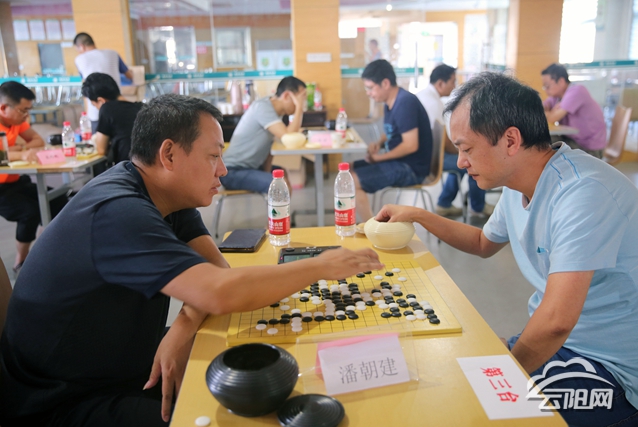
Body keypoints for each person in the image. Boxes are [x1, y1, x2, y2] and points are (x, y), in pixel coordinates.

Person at [0, 94, 382, 427]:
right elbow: (220, 292)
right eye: (213, 156)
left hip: (125, 367)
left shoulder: (166, 194)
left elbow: (216, 274)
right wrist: (322, 265)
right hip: (60, 402)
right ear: (168, 154)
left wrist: (183, 326)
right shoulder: (118, 211)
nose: (223, 170)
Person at [375, 72, 638, 426]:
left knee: (482, 411)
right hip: (564, 344)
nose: (460, 162)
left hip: (612, 367)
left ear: (511, 140)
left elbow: (556, 321)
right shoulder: (521, 183)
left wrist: (504, 370)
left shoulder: (583, 193)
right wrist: (419, 216)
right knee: (451, 382)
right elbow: (483, 243)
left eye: (467, 148)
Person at [0, 81, 66, 276]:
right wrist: (18, 154)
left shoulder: (16, 122)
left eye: (28, 110)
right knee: (29, 212)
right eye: (23, 110)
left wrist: (16, 149)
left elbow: (38, 141)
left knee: (57, 199)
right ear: (4, 108)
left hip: (16, 181)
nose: (26, 116)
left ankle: (44, 249)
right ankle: (21, 262)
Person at [354, 59, 432, 221]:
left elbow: (410, 145)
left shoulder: (405, 102)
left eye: (370, 88)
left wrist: (379, 158)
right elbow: (393, 131)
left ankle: (371, 228)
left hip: (411, 168)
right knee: (347, 170)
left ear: (385, 83)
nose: (368, 93)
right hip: (399, 162)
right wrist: (379, 143)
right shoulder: (390, 102)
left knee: (351, 181)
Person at [417, 64, 493, 218]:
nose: (455, 86)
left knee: (461, 162)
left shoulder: (423, 96)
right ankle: (478, 207)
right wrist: (465, 152)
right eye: (453, 81)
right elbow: (444, 143)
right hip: (429, 160)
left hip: (425, 155)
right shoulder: (433, 103)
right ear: (440, 83)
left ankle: (444, 203)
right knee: (472, 162)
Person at [220, 76, 307, 194]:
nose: (303, 102)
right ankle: (277, 206)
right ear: (287, 96)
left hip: (251, 168)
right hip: (232, 172)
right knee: (278, 184)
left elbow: (269, 147)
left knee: (281, 173)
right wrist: (299, 108)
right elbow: (288, 137)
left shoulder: (275, 113)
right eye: (301, 98)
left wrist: (266, 172)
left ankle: (277, 206)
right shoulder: (263, 107)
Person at [541, 63, 606, 158]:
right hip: (573, 141)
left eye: (547, 86)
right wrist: (549, 112)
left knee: (545, 143)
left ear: (561, 81)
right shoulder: (557, 96)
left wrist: (549, 113)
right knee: (544, 140)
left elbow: (550, 119)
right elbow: (542, 107)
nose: (545, 90)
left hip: (589, 149)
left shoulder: (577, 91)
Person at [74, 32, 134, 133]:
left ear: (81, 46)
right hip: (118, 109)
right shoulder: (113, 54)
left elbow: (85, 87)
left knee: (98, 141)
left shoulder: (79, 59)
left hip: (95, 112)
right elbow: (129, 76)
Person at [81, 72, 143, 166]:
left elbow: (101, 150)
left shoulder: (107, 109)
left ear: (101, 101)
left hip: (127, 170)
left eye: (94, 105)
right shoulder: (141, 107)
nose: (97, 108)